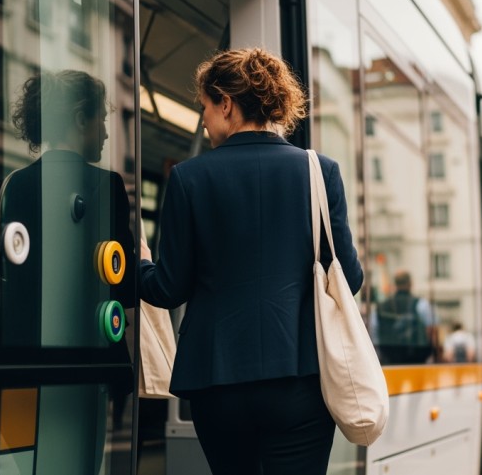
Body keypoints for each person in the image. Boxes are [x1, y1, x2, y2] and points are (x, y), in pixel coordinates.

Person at [138, 48, 363, 475]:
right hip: (300, 378)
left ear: (226, 103)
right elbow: (348, 278)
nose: (203, 119)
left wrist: (135, 268)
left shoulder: (189, 177)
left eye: (204, 106)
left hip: (217, 381)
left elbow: (169, 289)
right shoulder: (320, 172)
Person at [0, 70, 136, 473]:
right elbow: (125, 285)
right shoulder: (107, 186)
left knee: (18, 466)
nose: (104, 132)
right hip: (86, 372)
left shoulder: (11, 185)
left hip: (15, 370)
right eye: (100, 119)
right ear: (80, 119)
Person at [376, 270, 436, 364]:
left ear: (395, 284)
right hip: (416, 356)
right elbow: (431, 330)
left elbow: (374, 331)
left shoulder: (382, 306)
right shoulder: (421, 304)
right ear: (410, 283)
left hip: (389, 356)